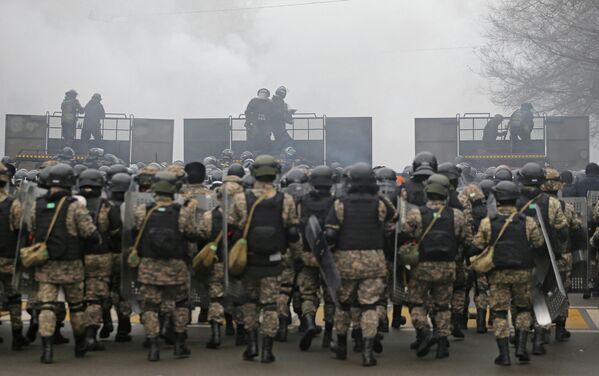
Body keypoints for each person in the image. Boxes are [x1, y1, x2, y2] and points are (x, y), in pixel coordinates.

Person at [227, 155, 299, 363]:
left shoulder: (241, 199)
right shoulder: (285, 200)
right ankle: (268, 350)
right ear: (276, 172)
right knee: (269, 306)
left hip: (248, 261)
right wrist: (296, 256)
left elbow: (231, 230)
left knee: (249, 303)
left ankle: (251, 345)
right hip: (275, 261)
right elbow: (293, 232)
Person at [26, 163, 101, 364]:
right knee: (76, 307)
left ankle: (47, 349)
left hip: (46, 264)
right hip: (72, 264)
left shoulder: (38, 205)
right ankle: (79, 345)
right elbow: (90, 233)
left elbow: (31, 228)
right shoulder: (75, 206)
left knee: (47, 307)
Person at [324, 163, 396, 367]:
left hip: (346, 259)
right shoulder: (381, 203)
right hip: (374, 259)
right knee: (370, 305)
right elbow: (392, 225)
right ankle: (367, 352)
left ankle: (340, 347)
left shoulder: (340, 203)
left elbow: (330, 232)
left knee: (343, 304)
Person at [469, 181, 544, 366]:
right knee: (523, 309)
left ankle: (503, 354)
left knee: (500, 313)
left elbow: (475, 247)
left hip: (498, 274)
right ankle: (520, 346)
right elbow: (539, 244)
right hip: (522, 273)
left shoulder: (488, 223)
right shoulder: (527, 222)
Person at [401, 174, 472, 360]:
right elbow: (466, 239)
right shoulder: (457, 215)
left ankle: (424, 331)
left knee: (416, 301)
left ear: (428, 192)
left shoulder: (416, 213)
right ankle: (442, 344)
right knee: (442, 306)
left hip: (422, 266)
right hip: (447, 266)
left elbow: (405, 233)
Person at [134, 171, 199, 361]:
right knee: (180, 304)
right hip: (176, 266)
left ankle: (153, 346)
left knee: (151, 307)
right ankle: (179, 344)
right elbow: (192, 235)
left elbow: (135, 232)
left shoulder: (142, 211)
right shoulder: (182, 212)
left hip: (149, 267)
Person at [515, 162, 568, 355]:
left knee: (520, 300)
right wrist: (557, 249)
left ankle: (519, 341)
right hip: (545, 258)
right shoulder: (552, 202)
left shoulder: (513, 201)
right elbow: (563, 230)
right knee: (542, 298)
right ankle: (538, 341)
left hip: (519, 258)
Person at [77, 169, 121, 351]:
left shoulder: (71, 204)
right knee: (95, 298)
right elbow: (117, 232)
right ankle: (90, 336)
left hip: (74, 257)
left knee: (77, 299)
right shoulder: (107, 206)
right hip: (100, 257)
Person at [296, 165, 336, 351]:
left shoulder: (302, 201)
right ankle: (328, 335)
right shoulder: (336, 202)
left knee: (308, 294)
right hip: (329, 255)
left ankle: (310, 322)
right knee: (330, 297)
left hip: (307, 253)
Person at [0, 163, 30, 350]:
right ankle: (18, 336)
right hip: (8, 258)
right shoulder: (13, 204)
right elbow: (21, 230)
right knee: (14, 298)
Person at [244, 89, 274, 154]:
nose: (263, 93)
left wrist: (268, 119)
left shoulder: (270, 103)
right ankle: (254, 151)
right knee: (254, 135)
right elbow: (248, 112)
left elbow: (273, 113)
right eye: (261, 92)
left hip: (266, 123)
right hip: (255, 122)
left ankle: (265, 151)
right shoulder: (253, 101)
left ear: (268, 94)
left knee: (267, 135)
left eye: (265, 92)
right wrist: (250, 121)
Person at [271, 86, 294, 152]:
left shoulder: (281, 103)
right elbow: (276, 114)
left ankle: (278, 153)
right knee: (287, 141)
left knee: (282, 141)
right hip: (276, 126)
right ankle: (277, 153)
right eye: (283, 92)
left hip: (278, 126)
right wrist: (287, 114)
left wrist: (288, 113)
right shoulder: (275, 102)